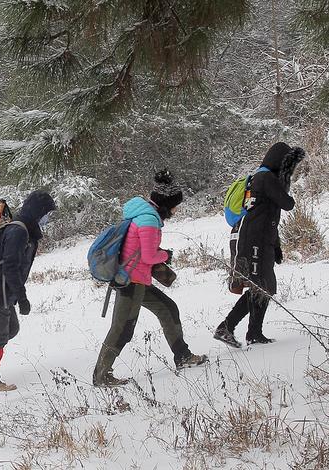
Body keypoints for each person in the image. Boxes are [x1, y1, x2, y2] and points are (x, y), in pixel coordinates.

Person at [93, 170, 208, 388]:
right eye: (175, 205)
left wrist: (159, 253)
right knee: (122, 328)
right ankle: (101, 375)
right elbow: (148, 256)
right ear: (166, 204)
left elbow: (142, 251)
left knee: (168, 308)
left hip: (137, 279)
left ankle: (182, 356)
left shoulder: (144, 215)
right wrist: (166, 255)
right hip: (131, 281)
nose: (176, 210)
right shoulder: (148, 221)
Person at [214, 142, 305, 348]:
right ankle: (227, 327)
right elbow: (287, 204)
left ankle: (253, 333)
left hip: (257, 240)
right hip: (252, 241)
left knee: (261, 287)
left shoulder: (260, 178)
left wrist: (276, 246)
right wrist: (285, 182)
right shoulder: (265, 178)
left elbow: (267, 217)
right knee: (263, 287)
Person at [0, 190, 57, 392]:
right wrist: (22, 298)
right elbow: (11, 267)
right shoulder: (18, 232)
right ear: (37, 212)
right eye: (47, 214)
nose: (48, 218)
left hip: (3, 290)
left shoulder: (24, 230)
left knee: (11, 329)